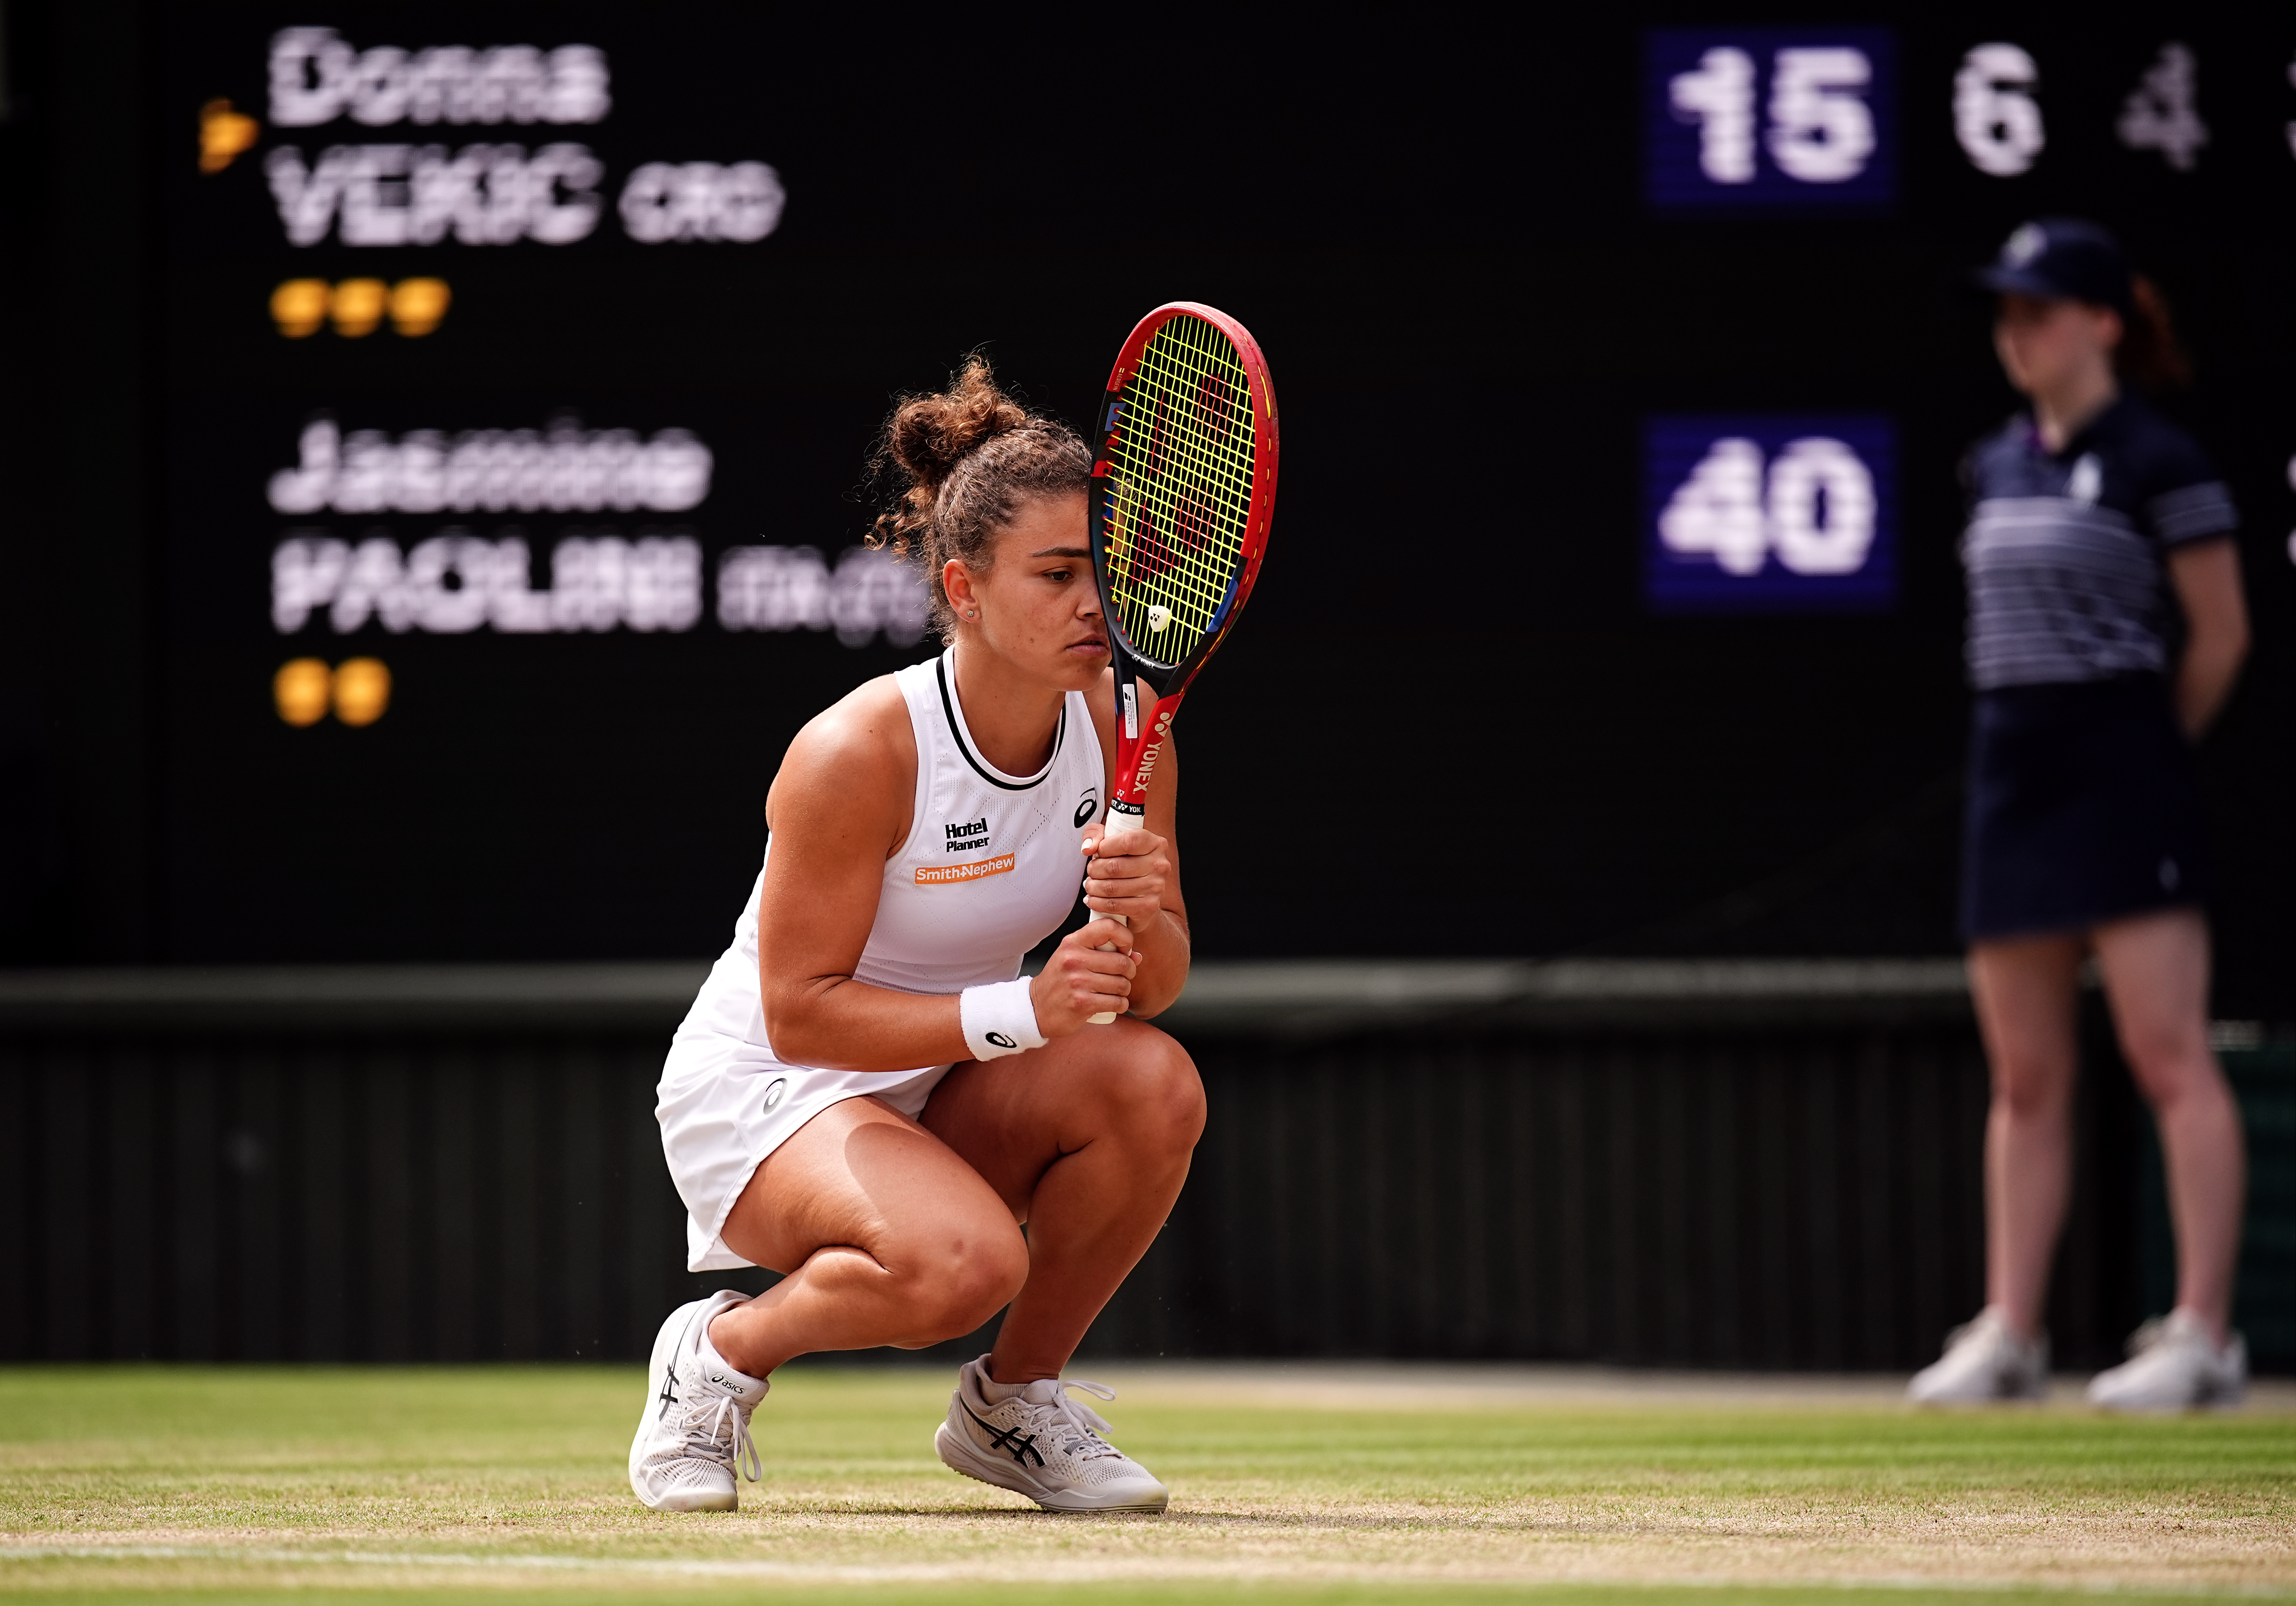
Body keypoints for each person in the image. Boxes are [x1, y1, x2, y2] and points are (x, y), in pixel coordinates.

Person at [629, 359, 1205, 1511]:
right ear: (967, 586)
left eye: (1110, 572)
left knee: (1155, 1085)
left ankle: (1012, 1404)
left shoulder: (1123, 728)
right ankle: (718, 1356)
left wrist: (1139, 915)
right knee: (963, 1265)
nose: (1097, 603)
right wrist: (1024, 1010)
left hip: (941, 1079)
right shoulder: (861, 750)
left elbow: (1153, 990)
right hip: (769, 1088)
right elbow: (799, 1009)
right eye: (1057, 574)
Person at [1910, 219, 2251, 1410]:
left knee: (2168, 1054)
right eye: (2007, 311)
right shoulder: (1994, 464)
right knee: (2026, 1073)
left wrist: (2146, 752)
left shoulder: (2164, 460)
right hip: (2014, 781)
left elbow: (2220, 639)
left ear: (2105, 321)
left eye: (2042, 309)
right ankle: (2012, 1328)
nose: (2019, 331)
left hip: (2126, 778)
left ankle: (2204, 1331)